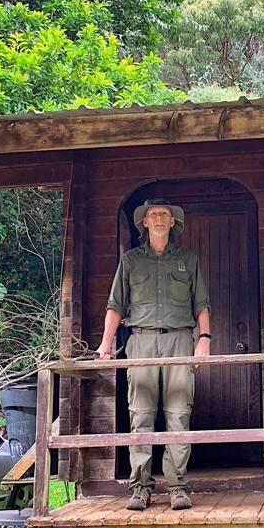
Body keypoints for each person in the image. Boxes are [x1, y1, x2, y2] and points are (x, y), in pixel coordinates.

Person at [96, 198, 211, 511]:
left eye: (165, 214)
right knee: (141, 415)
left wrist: (205, 338)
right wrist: (106, 343)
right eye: (153, 214)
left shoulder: (188, 259)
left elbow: (201, 303)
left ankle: (177, 487)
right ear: (144, 223)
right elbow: (115, 306)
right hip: (141, 342)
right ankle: (140, 487)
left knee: (178, 414)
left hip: (178, 342)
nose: (159, 218)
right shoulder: (130, 261)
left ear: (173, 222)